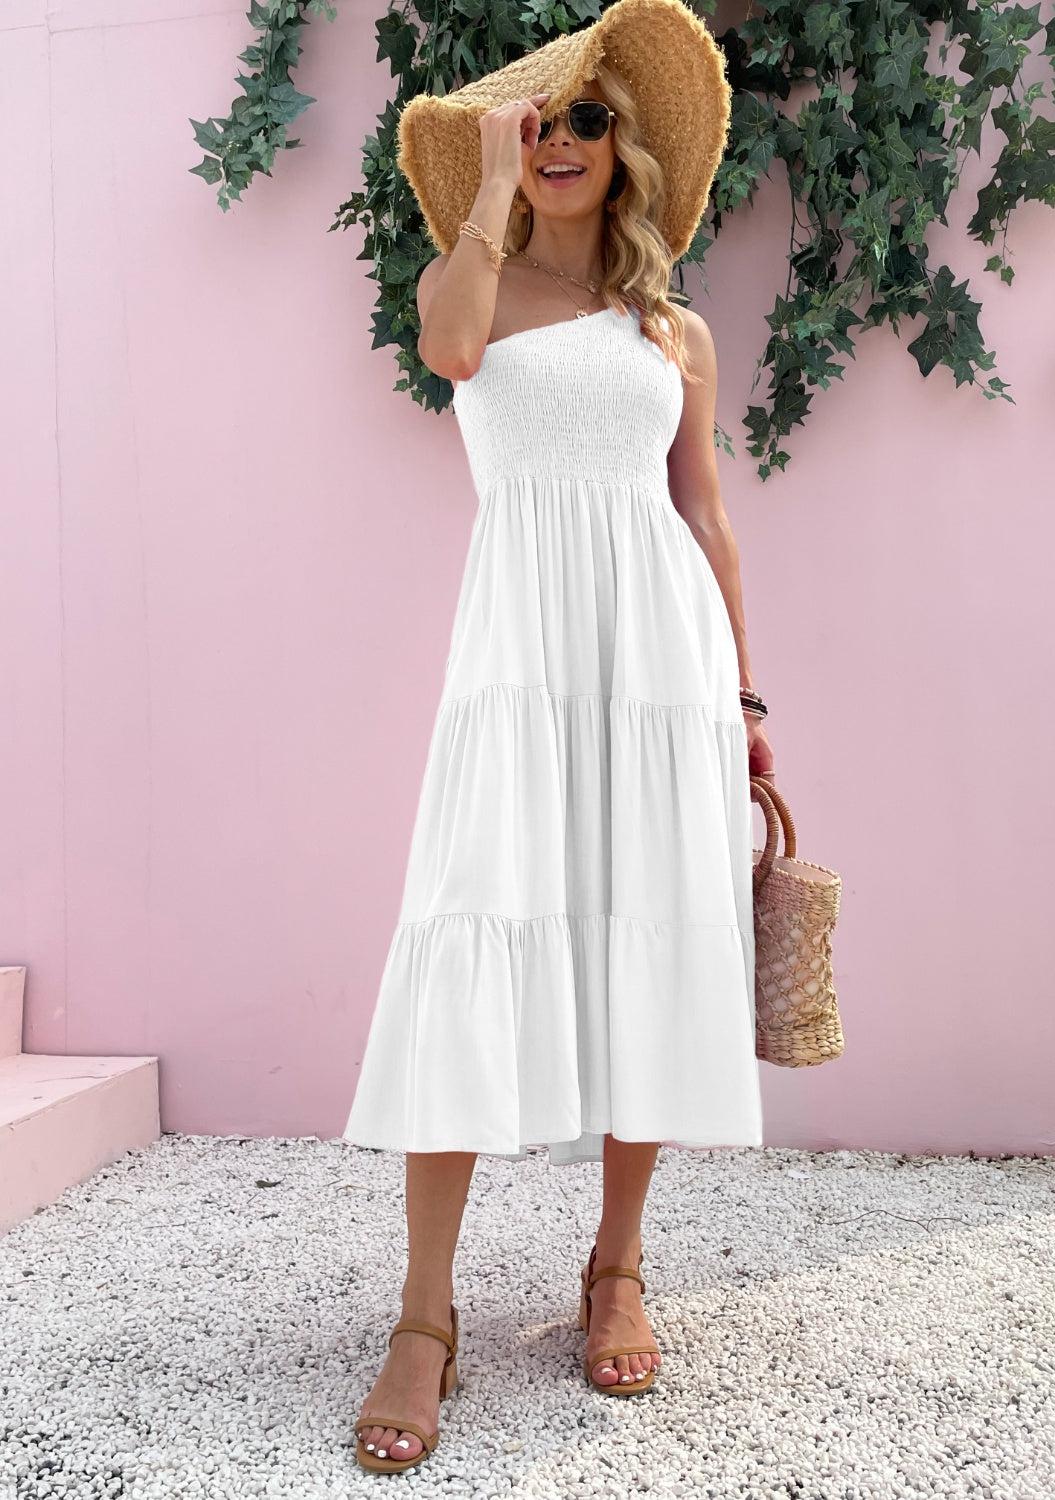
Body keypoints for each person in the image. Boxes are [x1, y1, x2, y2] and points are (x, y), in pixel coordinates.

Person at [341, 0, 775, 1474]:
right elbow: (450, 352)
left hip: (660, 662)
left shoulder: (675, 329)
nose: (565, 143)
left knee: (651, 925)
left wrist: (746, 707)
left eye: (588, 120)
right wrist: (481, 201)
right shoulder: (473, 284)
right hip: (521, 654)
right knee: (473, 922)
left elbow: (704, 517)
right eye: (539, 124)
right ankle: (423, 1316)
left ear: (628, 148)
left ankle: (616, 1264)